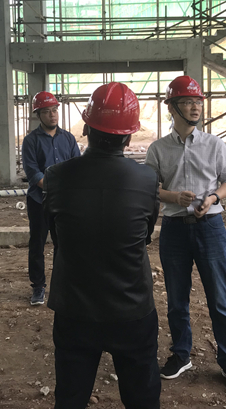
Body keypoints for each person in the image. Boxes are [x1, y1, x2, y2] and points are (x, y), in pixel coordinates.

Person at [46, 82, 161, 409]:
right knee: (142, 399)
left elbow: (57, 235)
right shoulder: (147, 180)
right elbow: (144, 235)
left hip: (75, 309)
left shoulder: (56, 177)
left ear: (86, 128)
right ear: (129, 137)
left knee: (70, 398)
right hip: (132, 308)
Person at [145, 75, 226, 392]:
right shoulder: (158, 149)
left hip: (210, 228)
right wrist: (173, 197)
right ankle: (181, 355)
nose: (195, 107)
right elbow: (149, 187)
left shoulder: (214, 145)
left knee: (219, 298)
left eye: (198, 102)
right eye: (188, 102)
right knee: (177, 299)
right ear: (172, 107)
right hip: (174, 229)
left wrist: (214, 198)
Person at [21, 91, 80, 305]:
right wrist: (57, 187)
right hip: (39, 200)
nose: (52, 115)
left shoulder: (68, 139)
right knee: (37, 244)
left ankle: (60, 284)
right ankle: (38, 286)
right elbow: (33, 172)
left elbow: (76, 166)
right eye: (46, 111)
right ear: (38, 115)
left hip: (63, 202)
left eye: (54, 110)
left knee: (62, 243)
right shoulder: (31, 141)